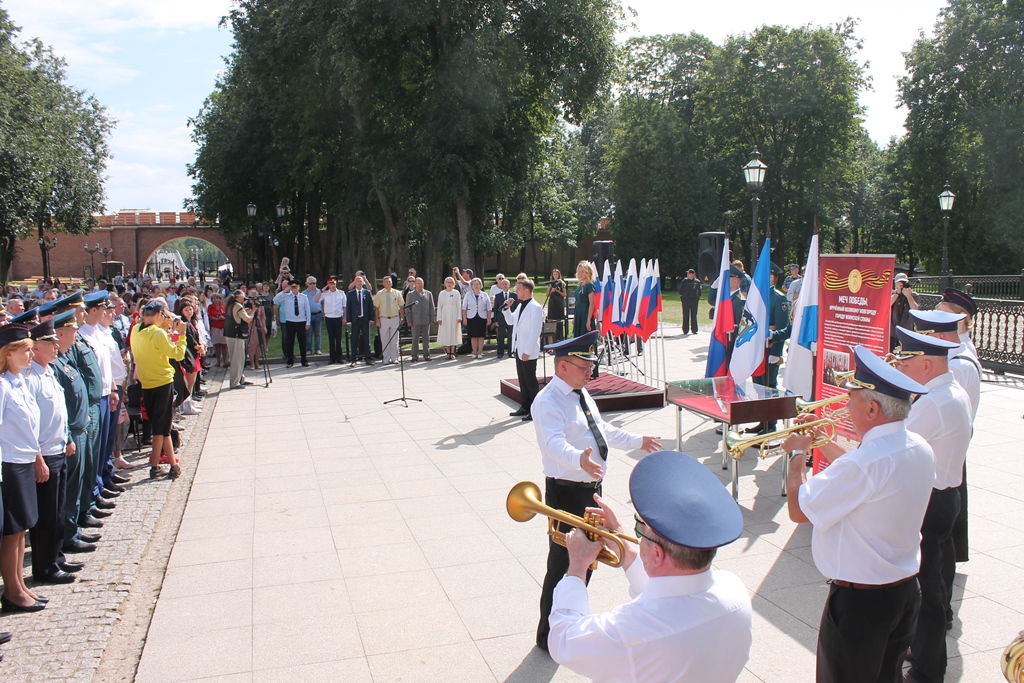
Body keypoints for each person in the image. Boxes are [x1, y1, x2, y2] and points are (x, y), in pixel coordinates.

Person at [782, 344, 935, 683]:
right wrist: (821, 441)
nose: (844, 408)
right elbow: (866, 481)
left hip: (860, 605)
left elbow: (797, 509)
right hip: (904, 593)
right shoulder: (919, 447)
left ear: (871, 408)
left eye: (850, 400)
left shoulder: (864, 463)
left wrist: (796, 455)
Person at [548, 450, 751, 682]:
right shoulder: (734, 589)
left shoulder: (633, 630)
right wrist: (624, 547)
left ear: (656, 553)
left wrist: (577, 567)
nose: (638, 539)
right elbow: (675, 601)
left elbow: (563, 641)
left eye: (640, 531)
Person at [530, 330, 661, 650]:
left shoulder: (579, 392)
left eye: (591, 364)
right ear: (562, 366)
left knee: (587, 561)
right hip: (566, 492)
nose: (591, 370)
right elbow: (552, 445)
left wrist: (636, 442)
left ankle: (570, 621)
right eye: (583, 365)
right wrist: (579, 459)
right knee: (562, 564)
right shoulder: (547, 401)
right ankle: (548, 637)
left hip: (590, 489)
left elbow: (601, 431)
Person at [892, 326, 970, 683]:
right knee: (932, 582)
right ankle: (924, 650)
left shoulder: (935, 403)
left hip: (932, 500)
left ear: (925, 365)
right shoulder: (951, 391)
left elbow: (895, 446)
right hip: (944, 495)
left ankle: (927, 668)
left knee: (927, 589)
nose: (901, 369)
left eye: (906, 364)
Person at [0, 324, 48, 614]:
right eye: (26, 350)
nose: (31, 354)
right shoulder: (3, 386)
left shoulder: (18, 381)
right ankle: (13, 590)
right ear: (7, 354)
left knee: (22, 529)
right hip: (10, 463)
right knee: (13, 529)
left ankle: (19, 583)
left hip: (23, 459)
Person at [25, 320, 76, 585]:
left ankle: (56, 556)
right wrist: (37, 458)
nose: (56, 346)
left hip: (57, 448)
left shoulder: (49, 372)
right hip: (43, 453)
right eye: (50, 342)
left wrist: (67, 437)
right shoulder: (30, 378)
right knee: (45, 515)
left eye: (56, 341)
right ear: (35, 348)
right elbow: (31, 422)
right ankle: (44, 566)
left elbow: (59, 410)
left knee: (57, 510)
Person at [51, 307, 97, 557]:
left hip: (79, 427)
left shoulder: (66, 358)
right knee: (69, 489)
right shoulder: (57, 364)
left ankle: (74, 527)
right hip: (71, 433)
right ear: (60, 332)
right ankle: (68, 534)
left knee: (76, 483)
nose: (76, 332)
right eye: (72, 329)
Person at [130, 299, 186, 479]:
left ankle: (173, 465)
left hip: (147, 384)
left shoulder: (135, 331)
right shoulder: (157, 334)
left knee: (162, 427)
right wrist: (181, 336)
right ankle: (155, 465)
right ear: (157, 315)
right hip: (162, 382)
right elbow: (177, 354)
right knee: (161, 428)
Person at [746, 264, 791, 434]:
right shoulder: (756, 296)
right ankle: (761, 420)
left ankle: (771, 424)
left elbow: (783, 328)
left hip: (769, 350)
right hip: (757, 349)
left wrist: (775, 353)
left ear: (772, 277)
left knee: (769, 387)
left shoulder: (779, 299)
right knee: (758, 386)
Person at [504, 278, 544, 420]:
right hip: (519, 348)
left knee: (530, 381)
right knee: (522, 380)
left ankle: (535, 410)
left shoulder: (535, 308)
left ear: (526, 290)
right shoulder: (521, 306)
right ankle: (525, 406)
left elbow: (535, 331)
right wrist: (506, 309)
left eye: (518, 288)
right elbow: (511, 321)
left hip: (528, 351)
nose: (516, 290)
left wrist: (527, 350)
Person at [273, 280, 310, 369]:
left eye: (296, 287)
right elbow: (275, 299)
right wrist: (285, 290)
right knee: (290, 342)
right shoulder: (286, 297)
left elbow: (307, 310)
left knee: (302, 342)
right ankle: (290, 361)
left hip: (301, 321)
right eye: (293, 287)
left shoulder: (303, 297)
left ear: (299, 288)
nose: (294, 289)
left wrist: (308, 322)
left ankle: (304, 360)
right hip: (290, 321)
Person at [373, 276, 405, 364]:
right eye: (386, 282)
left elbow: (401, 306)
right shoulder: (379, 294)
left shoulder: (397, 293)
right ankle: (386, 358)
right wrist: (377, 320)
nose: (388, 283)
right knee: (385, 339)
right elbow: (376, 308)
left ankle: (395, 357)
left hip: (394, 317)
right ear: (383, 283)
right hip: (383, 318)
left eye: (390, 282)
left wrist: (402, 317)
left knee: (395, 339)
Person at [346, 274, 376, 366]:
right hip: (355, 320)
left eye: (360, 281)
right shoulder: (350, 294)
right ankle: (354, 359)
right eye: (357, 281)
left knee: (367, 339)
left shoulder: (367, 293)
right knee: (354, 339)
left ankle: (368, 358)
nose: (359, 283)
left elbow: (370, 307)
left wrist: (372, 318)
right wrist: (349, 320)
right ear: (354, 283)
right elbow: (348, 308)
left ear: (363, 283)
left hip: (365, 319)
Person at [316, 277, 347, 364]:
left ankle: (339, 357)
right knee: (331, 338)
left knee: (338, 338)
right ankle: (332, 358)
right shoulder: (325, 294)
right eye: (331, 284)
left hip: (338, 317)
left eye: (334, 284)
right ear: (328, 285)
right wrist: (322, 290)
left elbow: (344, 306)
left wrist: (345, 317)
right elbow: (316, 300)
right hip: (329, 318)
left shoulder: (341, 293)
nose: (333, 285)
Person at [405, 277, 435, 362]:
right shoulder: (410, 294)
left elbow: (431, 307)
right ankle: (414, 356)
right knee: (415, 338)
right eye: (418, 283)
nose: (420, 285)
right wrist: (409, 320)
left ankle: (426, 355)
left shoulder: (428, 293)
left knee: (426, 338)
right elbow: (407, 308)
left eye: (421, 283)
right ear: (415, 284)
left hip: (426, 319)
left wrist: (432, 318)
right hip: (415, 320)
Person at [889, 273, 920, 352]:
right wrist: (897, 293)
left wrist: (909, 296)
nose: (902, 285)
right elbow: (887, 305)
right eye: (899, 283)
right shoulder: (893, 294)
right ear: (895, 283)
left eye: (903, 282)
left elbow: (916, 310)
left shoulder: (914, 295)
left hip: (907, 330)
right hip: (893, 331)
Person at [462, 278, 491, 359]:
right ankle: (474, 352)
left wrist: (489, 319)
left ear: (480, 285)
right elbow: (464, 307)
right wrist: (464, 318)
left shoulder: (485, 295)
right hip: (471, 317)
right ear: (472, 286)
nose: (476, 286)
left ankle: (479, 352)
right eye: (474, 284)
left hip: (482, 317)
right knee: (473, 336)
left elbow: (489, 308)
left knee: (481, 336)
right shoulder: (468, 295)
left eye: (477, 284)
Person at [436, 277, 462, 360]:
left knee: (453, 332)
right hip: (444, 315)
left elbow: (459, 305)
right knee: (447, 332)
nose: (449, 284)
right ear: (445, 283)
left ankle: (452, 351)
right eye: (448, 282)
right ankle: (448, 352)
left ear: (453, 283)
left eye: (451, 282)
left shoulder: (456, 293)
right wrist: (439, 318)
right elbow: (439, 306)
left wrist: (459, 317)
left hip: (454, 314)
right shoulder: (442, 293)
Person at [572, 261, 598, 337]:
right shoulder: (579, 285)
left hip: (585, 313)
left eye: (583, 271)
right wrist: (575, 317)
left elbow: (592, 303)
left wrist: (588, 320)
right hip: (578, 313)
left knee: (585, 336)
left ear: (588, 272)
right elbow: (577, 303)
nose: (580, 274)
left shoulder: (589, 285)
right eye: (579, 272)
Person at [492, 277, 514, 359]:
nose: (504, 285)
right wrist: (495, 320)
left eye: (506, 284)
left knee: (511, 336)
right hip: (501, 319)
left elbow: (515, 308)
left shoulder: (513, 295)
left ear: (509, 285)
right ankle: (500, 353)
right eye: (503, 284)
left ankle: (510, 352)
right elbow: (496, 309)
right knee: (500, 337)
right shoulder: (498, 296)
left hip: (511, 319)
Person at [303, 276, 323, 356]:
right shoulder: (304, 293)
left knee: (318, 333)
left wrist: (323, 314)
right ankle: (308, 349)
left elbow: (323, 303)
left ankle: (317, 349)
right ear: (307, 284)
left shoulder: (320, 292)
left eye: (314, 283)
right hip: (308, 316)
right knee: (309, 333)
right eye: (310, 283)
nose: (312, 285)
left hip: (318, 314)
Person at [207, 293, 227, 367]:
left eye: (217, 298)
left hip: (223, 327)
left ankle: (225, 361)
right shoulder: (210, 307)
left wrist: (223, 318)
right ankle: (218, 361)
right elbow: (209, 316)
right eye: (214, 298)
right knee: (217, 345)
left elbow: (227, 315)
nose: (216, 300)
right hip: (215, 327)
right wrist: (216, 318)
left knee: (224, 345)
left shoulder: (223, 306)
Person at [678, 268, 701, 334]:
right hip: (686, 300)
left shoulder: (697, 282)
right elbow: (680, 290)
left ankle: (694, 329)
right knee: (685, 315)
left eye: (689, 273)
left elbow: (699, 292)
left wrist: (697, 298)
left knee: (694, 315)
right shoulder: (684, 281)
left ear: (693, 274)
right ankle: (685, 330)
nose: (688, 274)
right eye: (688, 273)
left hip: (694, 300)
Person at [546, 269, 566, 341]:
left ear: (559, 275)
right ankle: (551, 340)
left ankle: (559, 338)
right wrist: (551, 291)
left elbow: (564, 294)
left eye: (556, 274)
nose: (555, 276)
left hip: (559, 302)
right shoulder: (551, 283)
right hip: (552, 302)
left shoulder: (562, 283)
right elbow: (547, 294)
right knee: (550, 320)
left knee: (559, 320)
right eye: (554, 274)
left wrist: (558, 291)